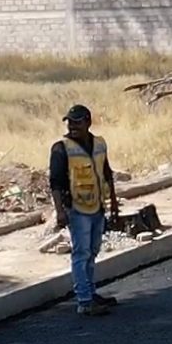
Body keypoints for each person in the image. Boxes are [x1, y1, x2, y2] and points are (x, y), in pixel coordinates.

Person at [49, 104, 121, 317]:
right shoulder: (61, 148)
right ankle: (84, 300)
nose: (72, 126)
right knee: (81, 253)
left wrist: (114, 202)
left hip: (97, 206)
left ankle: (90, 292)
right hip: (77, 209)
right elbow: (55, 182)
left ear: (88, 122)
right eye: (70, 122)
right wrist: (60, 211)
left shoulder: (99, 144)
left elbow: (107, 172)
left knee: (92, 251)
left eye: (77, 122)